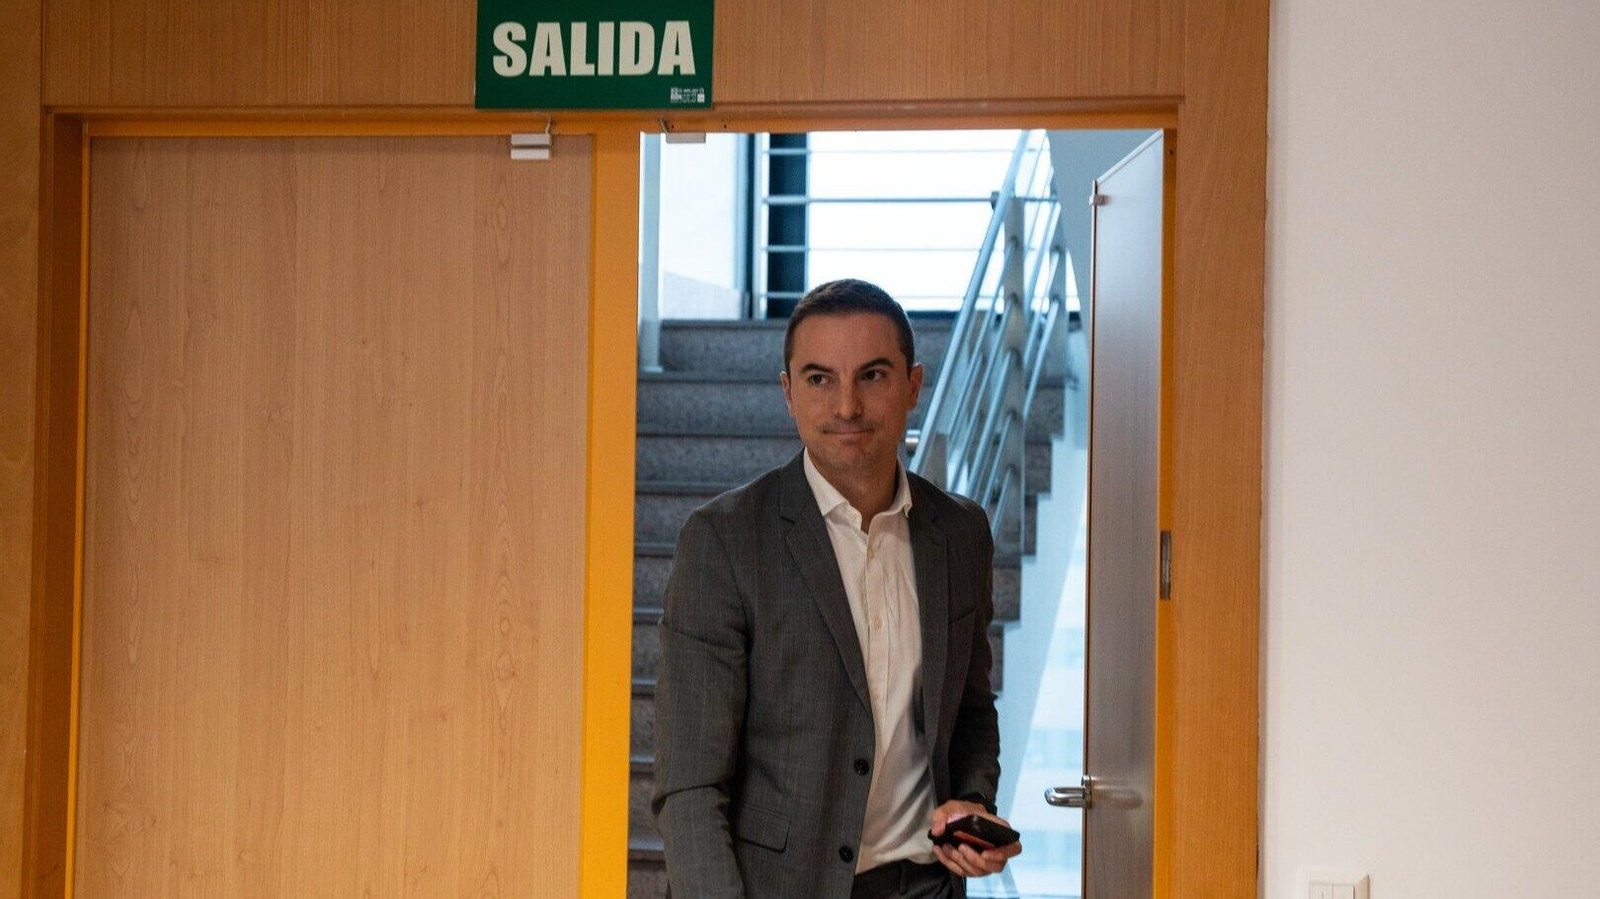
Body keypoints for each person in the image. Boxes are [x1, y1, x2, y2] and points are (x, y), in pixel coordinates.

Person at [651, 279, 1021, 898]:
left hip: (925, 888)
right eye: (820, 379)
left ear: (914, 385)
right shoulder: (723, 540)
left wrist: (971, 804)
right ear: (788, 393)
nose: (846, 406)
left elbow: (972, 709)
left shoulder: (960, 532)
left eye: (872, 376)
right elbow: (690, 787)